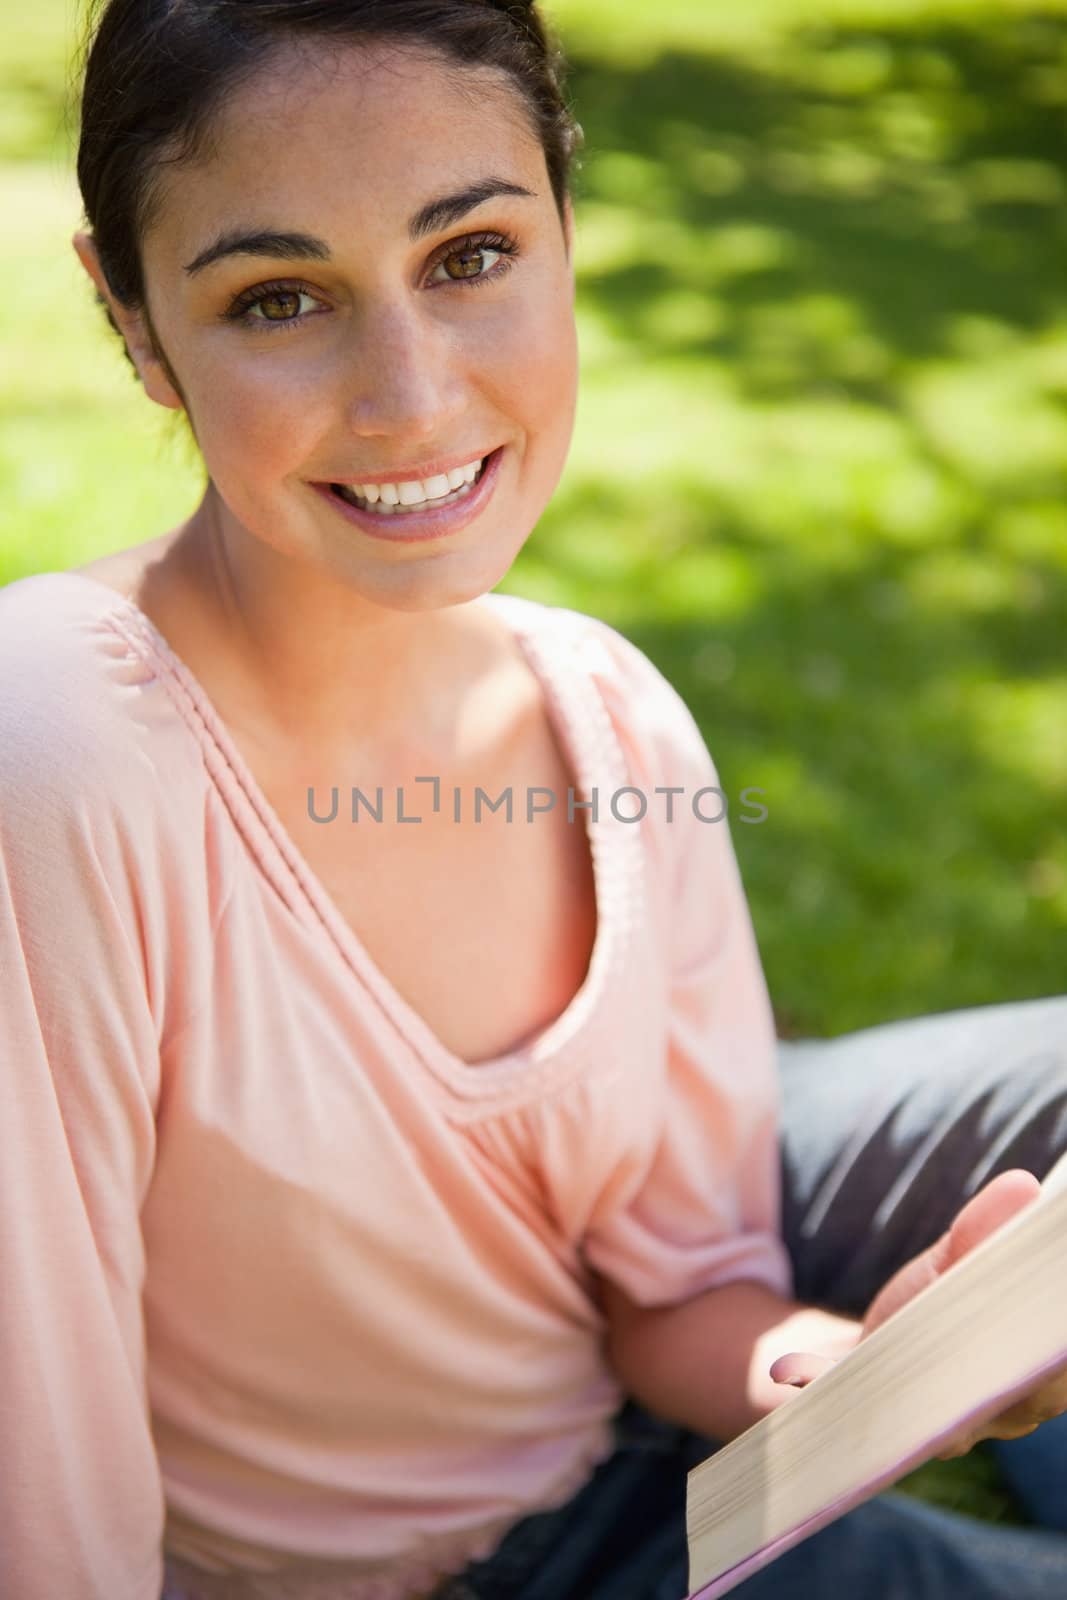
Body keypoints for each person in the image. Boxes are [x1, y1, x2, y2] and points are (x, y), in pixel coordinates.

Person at [0, 2, 1064, 1597]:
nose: (412, 399)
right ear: (137, 326)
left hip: (620, 1433)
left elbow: (683, 1297)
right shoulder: (65, 736)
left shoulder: (609, 711)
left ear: (566, 228)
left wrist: (847, 1380)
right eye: (279, 298)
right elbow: (41, 1457)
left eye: (471, 257)